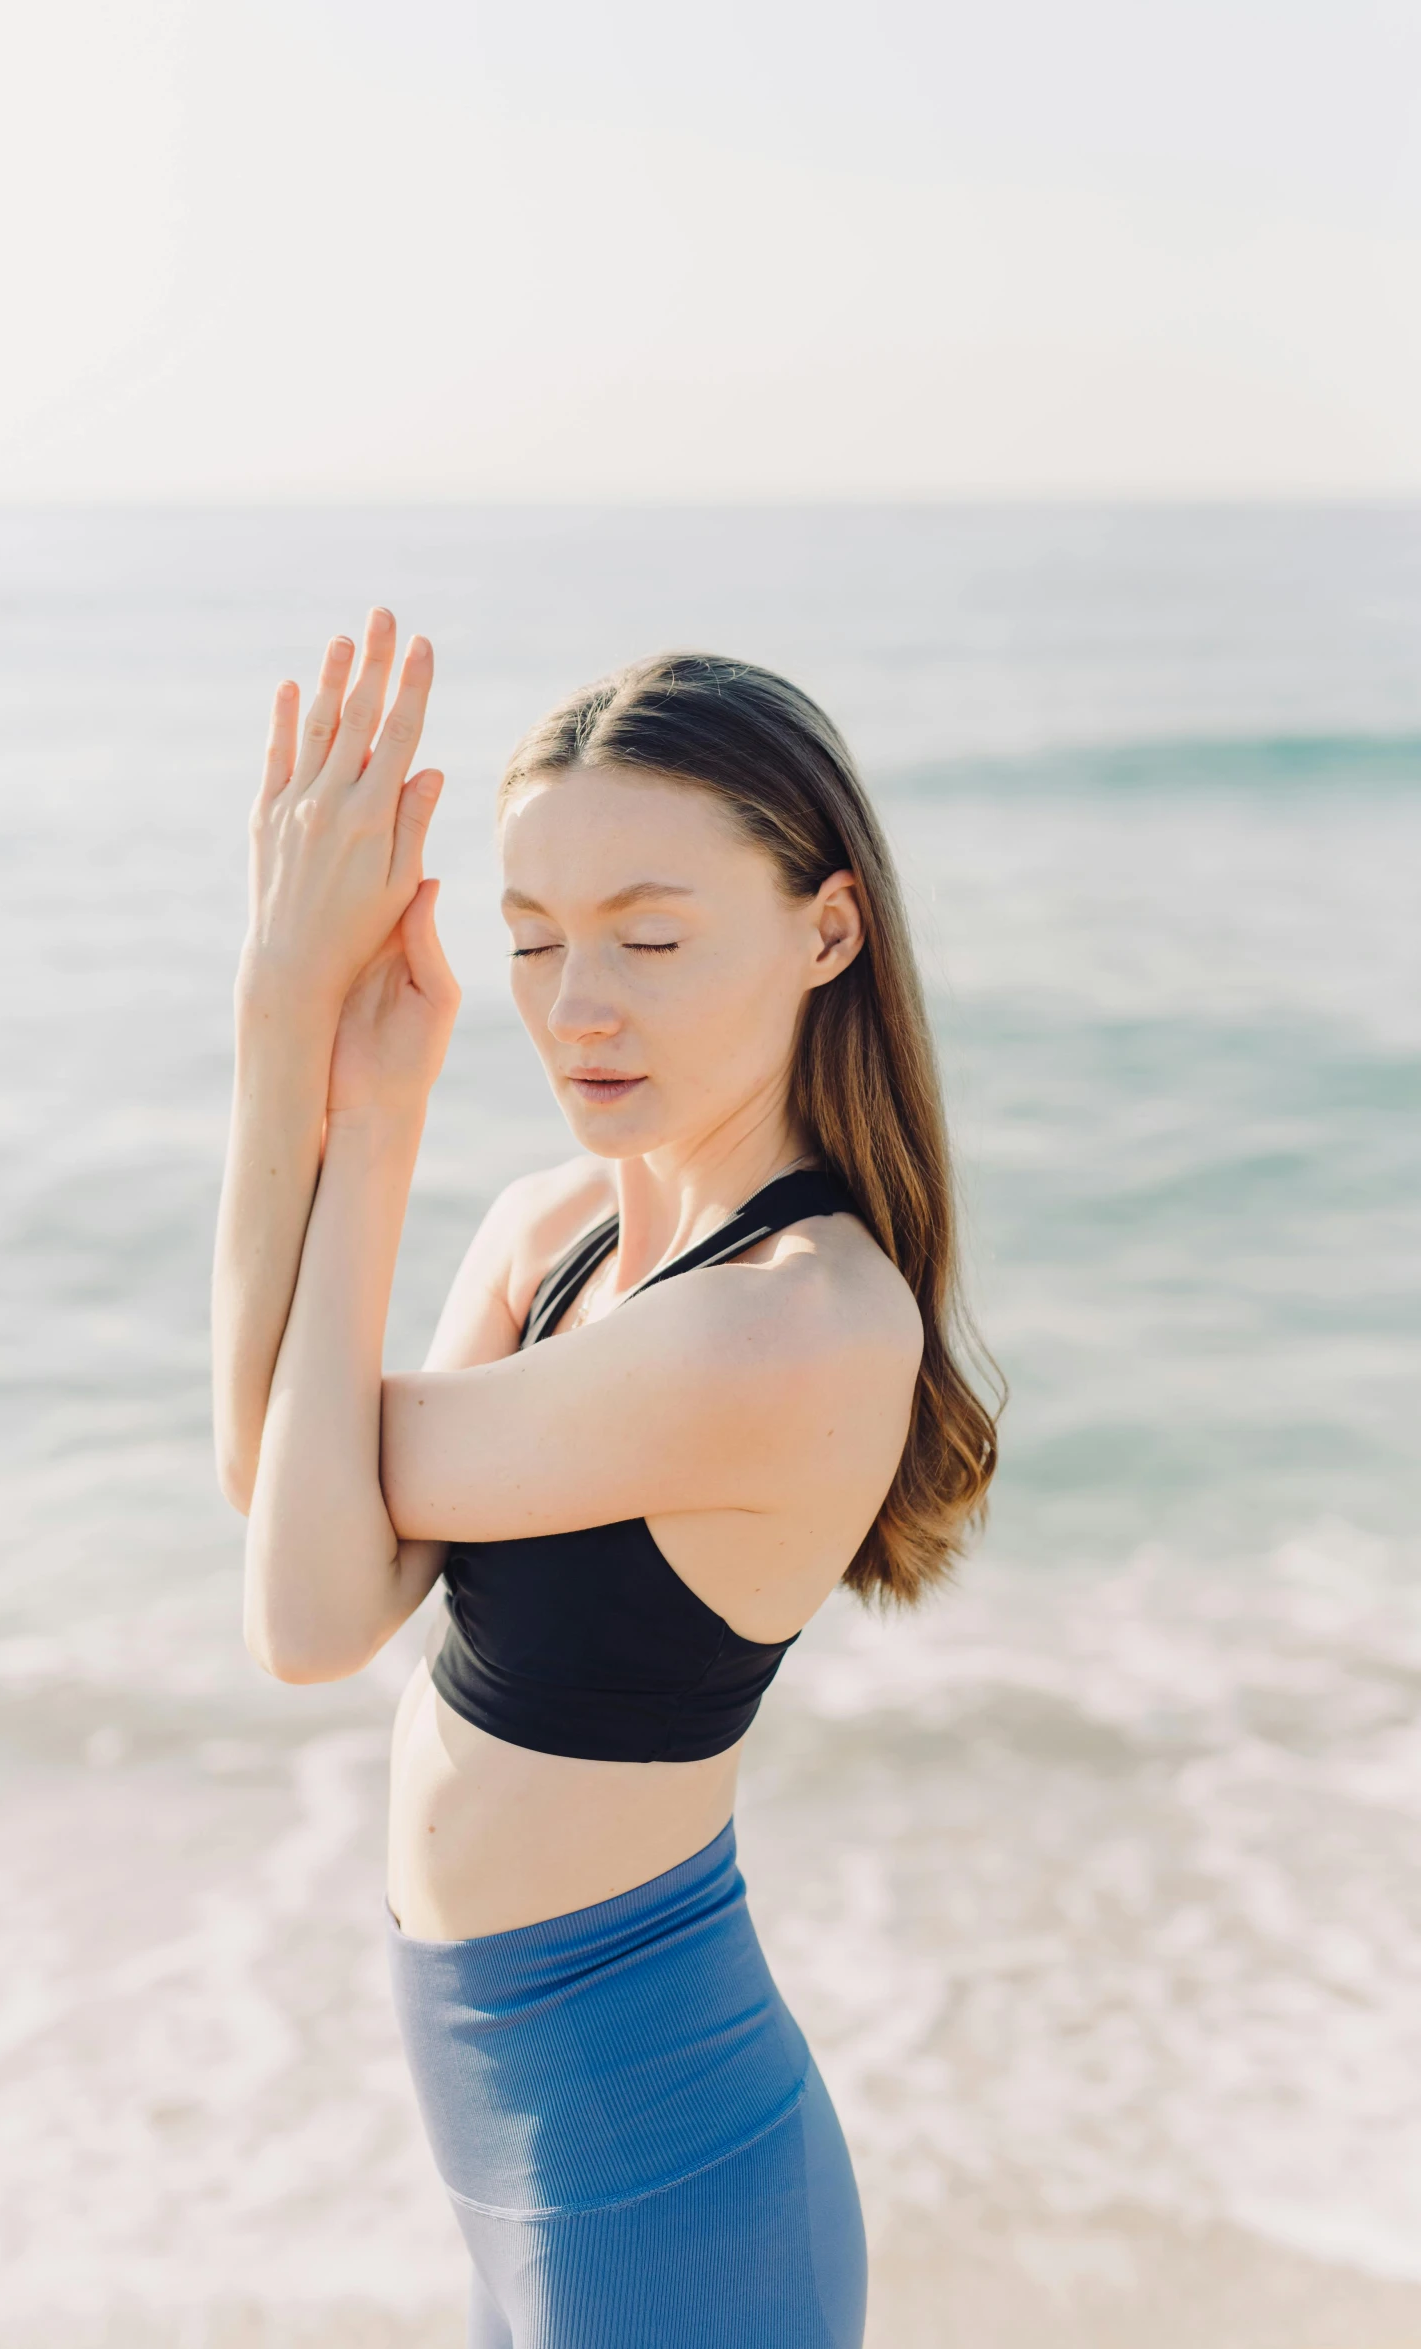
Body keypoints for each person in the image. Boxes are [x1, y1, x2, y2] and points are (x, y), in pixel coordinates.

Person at [212, 610, 999, 2348]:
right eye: (532, 940)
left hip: (658, 2175)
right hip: (514, 2137)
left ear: (828, 929)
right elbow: (313, 1543)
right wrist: (318, 1060)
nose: (580, 1006)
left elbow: (291, 1602)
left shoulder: (787, 1329)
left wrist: (337, 1083)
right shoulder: (557, 1231)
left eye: (650, 936)